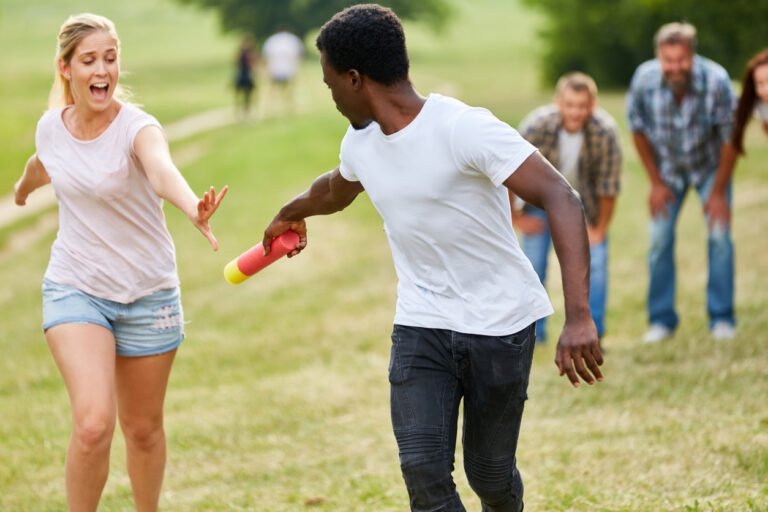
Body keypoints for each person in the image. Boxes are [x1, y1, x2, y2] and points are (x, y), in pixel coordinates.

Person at [261, 5, 603, 511]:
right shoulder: (362, 142)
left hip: (500, 323)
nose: (331, 96)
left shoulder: (462, 128)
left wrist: (578, 316)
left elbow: (561, 198)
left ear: (355, 79)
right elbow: (338, 186)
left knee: (489, 476)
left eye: (331, 83)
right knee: (423, 471)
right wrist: (291, 212)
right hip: (423, 322)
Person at [13, 13, 227, 511]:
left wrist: (192, 205)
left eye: (109, 58)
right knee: (92, 425)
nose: (101, 69)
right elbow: (41, 165)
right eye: (89, 60)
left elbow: (160, 169)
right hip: (76, 287)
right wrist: (21, 192)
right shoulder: (52, 128)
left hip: (147, 293)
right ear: (66, 69)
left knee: (144, 429)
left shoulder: (137, 127)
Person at [627, 22, 737, 343]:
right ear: (659, 57)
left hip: (710, 168)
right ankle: (661, 320)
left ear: (693, 55)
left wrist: (717, 192)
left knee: (719, 237)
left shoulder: (716, 81)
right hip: (668, 172)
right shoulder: (644, 80)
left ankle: (722, 318)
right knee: (659, 239)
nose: (675, 67)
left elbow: (731, 140)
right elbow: (637, 130)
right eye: (668, 60)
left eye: (681, 60)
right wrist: (655, 182)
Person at [512, 72, 621, 344]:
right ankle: (534, 333)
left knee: (595, 264)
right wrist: (515, 217)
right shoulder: (537, 126)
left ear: (592, 105)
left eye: (582, 105)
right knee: (533, 264)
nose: (575, 112)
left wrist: (600, 228)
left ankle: (592, 331)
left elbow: (608, 187)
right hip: (540, 205)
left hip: (584, 209)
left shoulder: (605, 132)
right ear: (558, 102)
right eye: (570, 104)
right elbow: (508, 171)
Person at [261, 30, 304, 112]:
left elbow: (266, 56)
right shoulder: (291, 41)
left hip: (275, 70)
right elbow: (299, 56)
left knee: (274, 91)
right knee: (288, 91)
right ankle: (289, 107)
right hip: (288, 70)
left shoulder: (272, 41)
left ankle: (271, 108)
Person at [234, 35, 258, 117]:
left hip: (247, 75)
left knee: (247, 94)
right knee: (240, 93)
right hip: (242, 75)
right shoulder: (242, 53)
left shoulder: (249, 53)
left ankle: (246, 110)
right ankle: (239, 110)